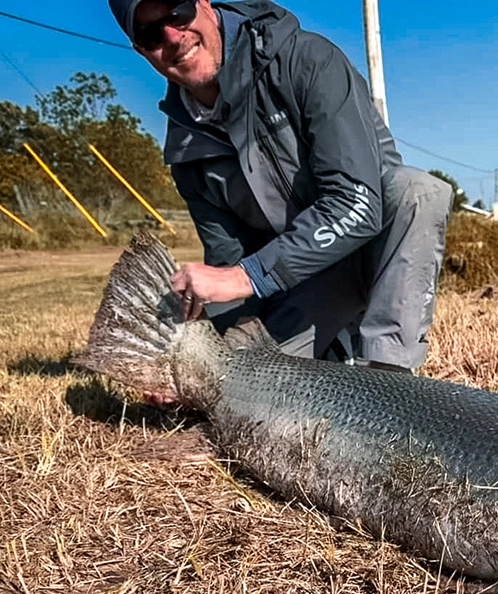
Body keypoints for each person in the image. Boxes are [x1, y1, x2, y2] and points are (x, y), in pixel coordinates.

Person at [108, 0, 452, 372]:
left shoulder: (308, 60)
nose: (173, 36)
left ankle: (390, 376)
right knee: (238, 377)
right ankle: (334, 348)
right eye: (150, 33)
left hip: (378, 255)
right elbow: (229, 262)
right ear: (141, 51)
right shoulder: (185, 151)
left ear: (204, 3)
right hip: (303, 281)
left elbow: (358, 203)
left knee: (416, 191)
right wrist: (202, 345)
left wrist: (245, 277)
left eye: (177, 11)